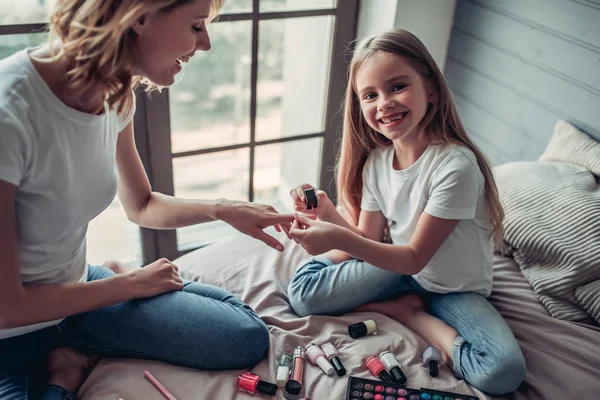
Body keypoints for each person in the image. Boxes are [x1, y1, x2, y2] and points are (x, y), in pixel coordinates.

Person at [0, 1, 295, 398]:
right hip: (10, 332)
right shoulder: (10, 115)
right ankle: (64, 369)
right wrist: (130, 285)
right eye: (196, 26)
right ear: (139, 16)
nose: (205, 43)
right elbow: (7, 307)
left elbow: (140, 205)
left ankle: (75, 341)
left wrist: (223, 210)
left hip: (78, 294)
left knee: (243, 336)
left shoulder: (114, 93)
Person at [286, 29, 526, 395]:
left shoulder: (454, 166)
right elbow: (366, 239)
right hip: (396, 268)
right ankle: (375, 284)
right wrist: (328, 213)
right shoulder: (377, 163)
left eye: (397, 86)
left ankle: (407, 312)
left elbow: (414, 258)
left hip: (448, 286)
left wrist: (337, 240)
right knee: (303, 295)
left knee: (502, 371)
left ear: (430, 89)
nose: (384, 102)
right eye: (370, 95)